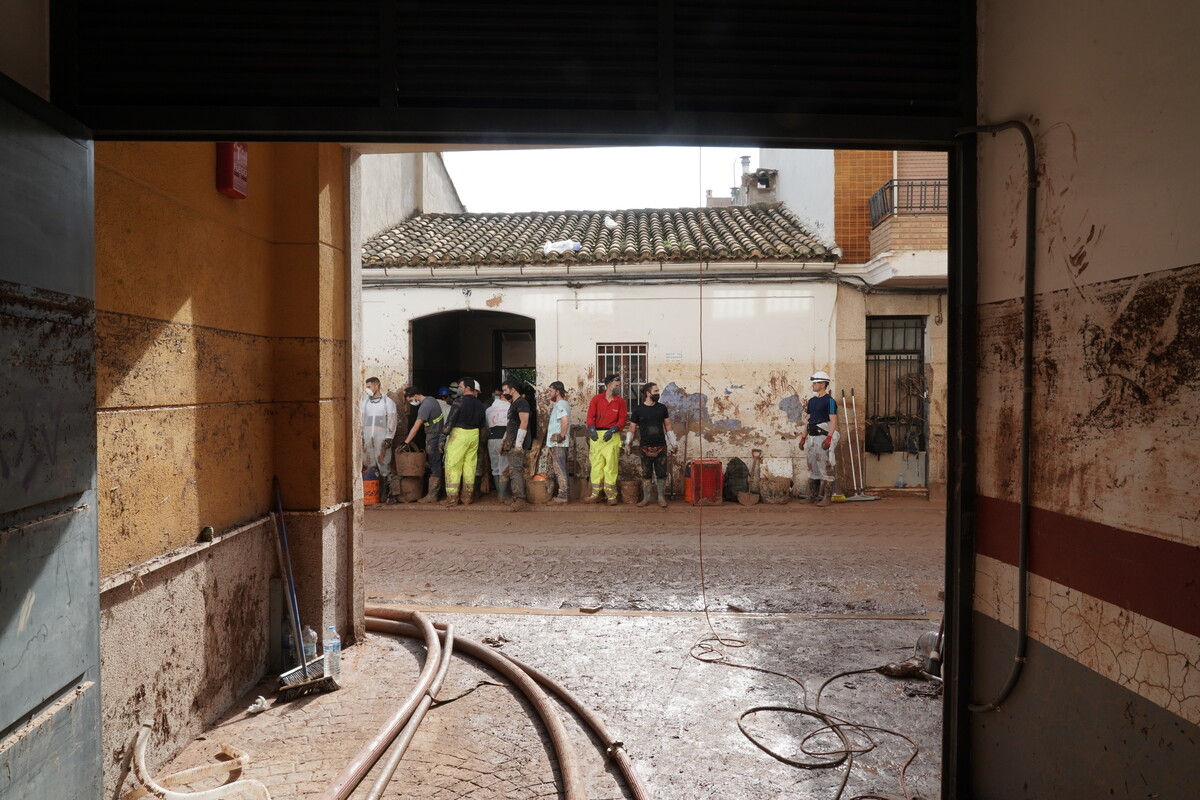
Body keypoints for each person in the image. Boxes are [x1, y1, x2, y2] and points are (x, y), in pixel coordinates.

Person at [626, 382, 677, 507]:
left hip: (661, 446)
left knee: (661, 473)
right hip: (645, 447)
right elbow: (631, 428)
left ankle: (661, 498)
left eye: (658, 391)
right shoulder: (638, 410)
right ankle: (646, 498)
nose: (658, 394)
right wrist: (627, 443)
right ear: (648, 393)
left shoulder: (662, 408)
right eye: (655, 391)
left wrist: (674, 443)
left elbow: (668, 426)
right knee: (646, 473)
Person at [442, 377, 486, 506]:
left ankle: (452, 497)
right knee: (470, 466)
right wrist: (481, 443)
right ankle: (467, 497)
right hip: (474, 435)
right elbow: (483, 426)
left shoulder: (458, 402)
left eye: (460, 387)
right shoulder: (480, 405)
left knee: (453, 465)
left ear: (467, 388)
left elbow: (450, 421)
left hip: (459, 435)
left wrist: (442, 437)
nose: (459, 389)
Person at [584, 374, 627, 505]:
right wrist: (591, 428)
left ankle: (611, 496)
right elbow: (590, 416)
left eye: (619, 386)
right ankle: (595, 494)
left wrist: (613, 429)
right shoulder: (596, 399)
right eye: (616, 385)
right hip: (597, 436)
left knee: (611, 466)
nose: (618, 388)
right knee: (596, 466)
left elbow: (622, 420)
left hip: (612, 437)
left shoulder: (620, 402)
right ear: (608, 386)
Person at [800, 370, 840, 507]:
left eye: (815, 383)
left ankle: (827, 497)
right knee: (812, 467)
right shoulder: (811, 401)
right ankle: (813, 495)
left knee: (825, 466)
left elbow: (833, 421)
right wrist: (803, 437)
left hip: (822, 437)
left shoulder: (829, 401)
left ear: (823, 384)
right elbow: (808, 420)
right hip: (811, 437)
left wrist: (828, 439)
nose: (813, 385)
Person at [400, 387, 446, 504]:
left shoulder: (424, 407)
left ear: (415, 395)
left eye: (410, 400)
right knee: (436, 463)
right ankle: (438, 492)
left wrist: (406, 442)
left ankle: (432, 495)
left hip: (433, 439)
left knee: (434, 465)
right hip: (438, 436)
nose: (411, 403)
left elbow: (416, 427)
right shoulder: (432, 400)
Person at [361, 377, 398, 495]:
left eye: (369, 387)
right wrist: (360, 435)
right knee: (368, 462)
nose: (367, 389)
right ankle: (372, 493)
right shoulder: (365, 402)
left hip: (381, 437)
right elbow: (361, 420)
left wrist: (389, 437)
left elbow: (392, 420)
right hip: (367, 437)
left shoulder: (387, 402)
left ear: (377, 386)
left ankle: (385, 492)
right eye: (366, 387)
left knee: (383, 462)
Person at [499, 380, 531, 512]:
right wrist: (504, 441)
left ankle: (520, 499)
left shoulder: (522, 403)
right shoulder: (513, 404)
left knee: (515, 471)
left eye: (505, 390)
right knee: (511, 471)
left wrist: (518, 444)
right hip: (511, 442)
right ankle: (515, 497)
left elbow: (524, 422)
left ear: (512, 390)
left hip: (517, 443)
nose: (504, 393)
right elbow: (511, 424)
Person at [544, 381, 571, 504]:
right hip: (557, 443)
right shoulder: (561, 404)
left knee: (559, 468)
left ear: (557, 391)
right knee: (559, 467)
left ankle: (562, 495)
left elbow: (565, 421)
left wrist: (561, 435)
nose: (549, 393)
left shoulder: (560, 404)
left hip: (558, 443)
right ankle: (562, 493)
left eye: (551, 391)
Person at [485, 389, 511, 501]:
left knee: (495, 467)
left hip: (491, 439)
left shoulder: (488, 410)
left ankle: (499, 493)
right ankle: (503, 494)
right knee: (504, 467)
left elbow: (487, 427)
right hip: (504, 438)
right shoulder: (509, 406)